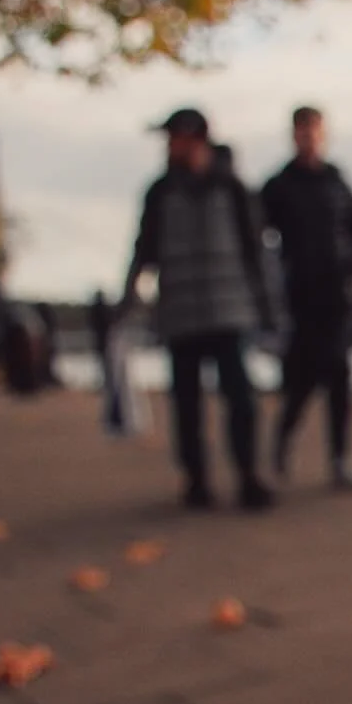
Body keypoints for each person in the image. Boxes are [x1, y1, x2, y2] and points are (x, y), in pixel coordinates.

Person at [120, 106, 274, 510]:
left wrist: (267, 306)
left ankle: (248, 475)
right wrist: (129, 296)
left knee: (240, 398)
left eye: (175, 138)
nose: (169, 146)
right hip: (181, 313)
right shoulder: (160, 192)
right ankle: (196, 480)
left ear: (195, 138)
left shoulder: (233, 188)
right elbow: (144, 249)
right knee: (186, 404)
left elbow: (254, 250)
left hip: (229, 310)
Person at [260, 104, 352, 491]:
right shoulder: (279, 186)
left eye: (314, 131)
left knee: (340, 375)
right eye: (302, 131)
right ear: (293, 135)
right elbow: (257, 235)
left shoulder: (337, 181)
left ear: (323, 134)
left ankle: (340, 459)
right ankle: (283, 441)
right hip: (300, 300)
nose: (308, 137)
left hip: (336, 298)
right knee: (302, 380)